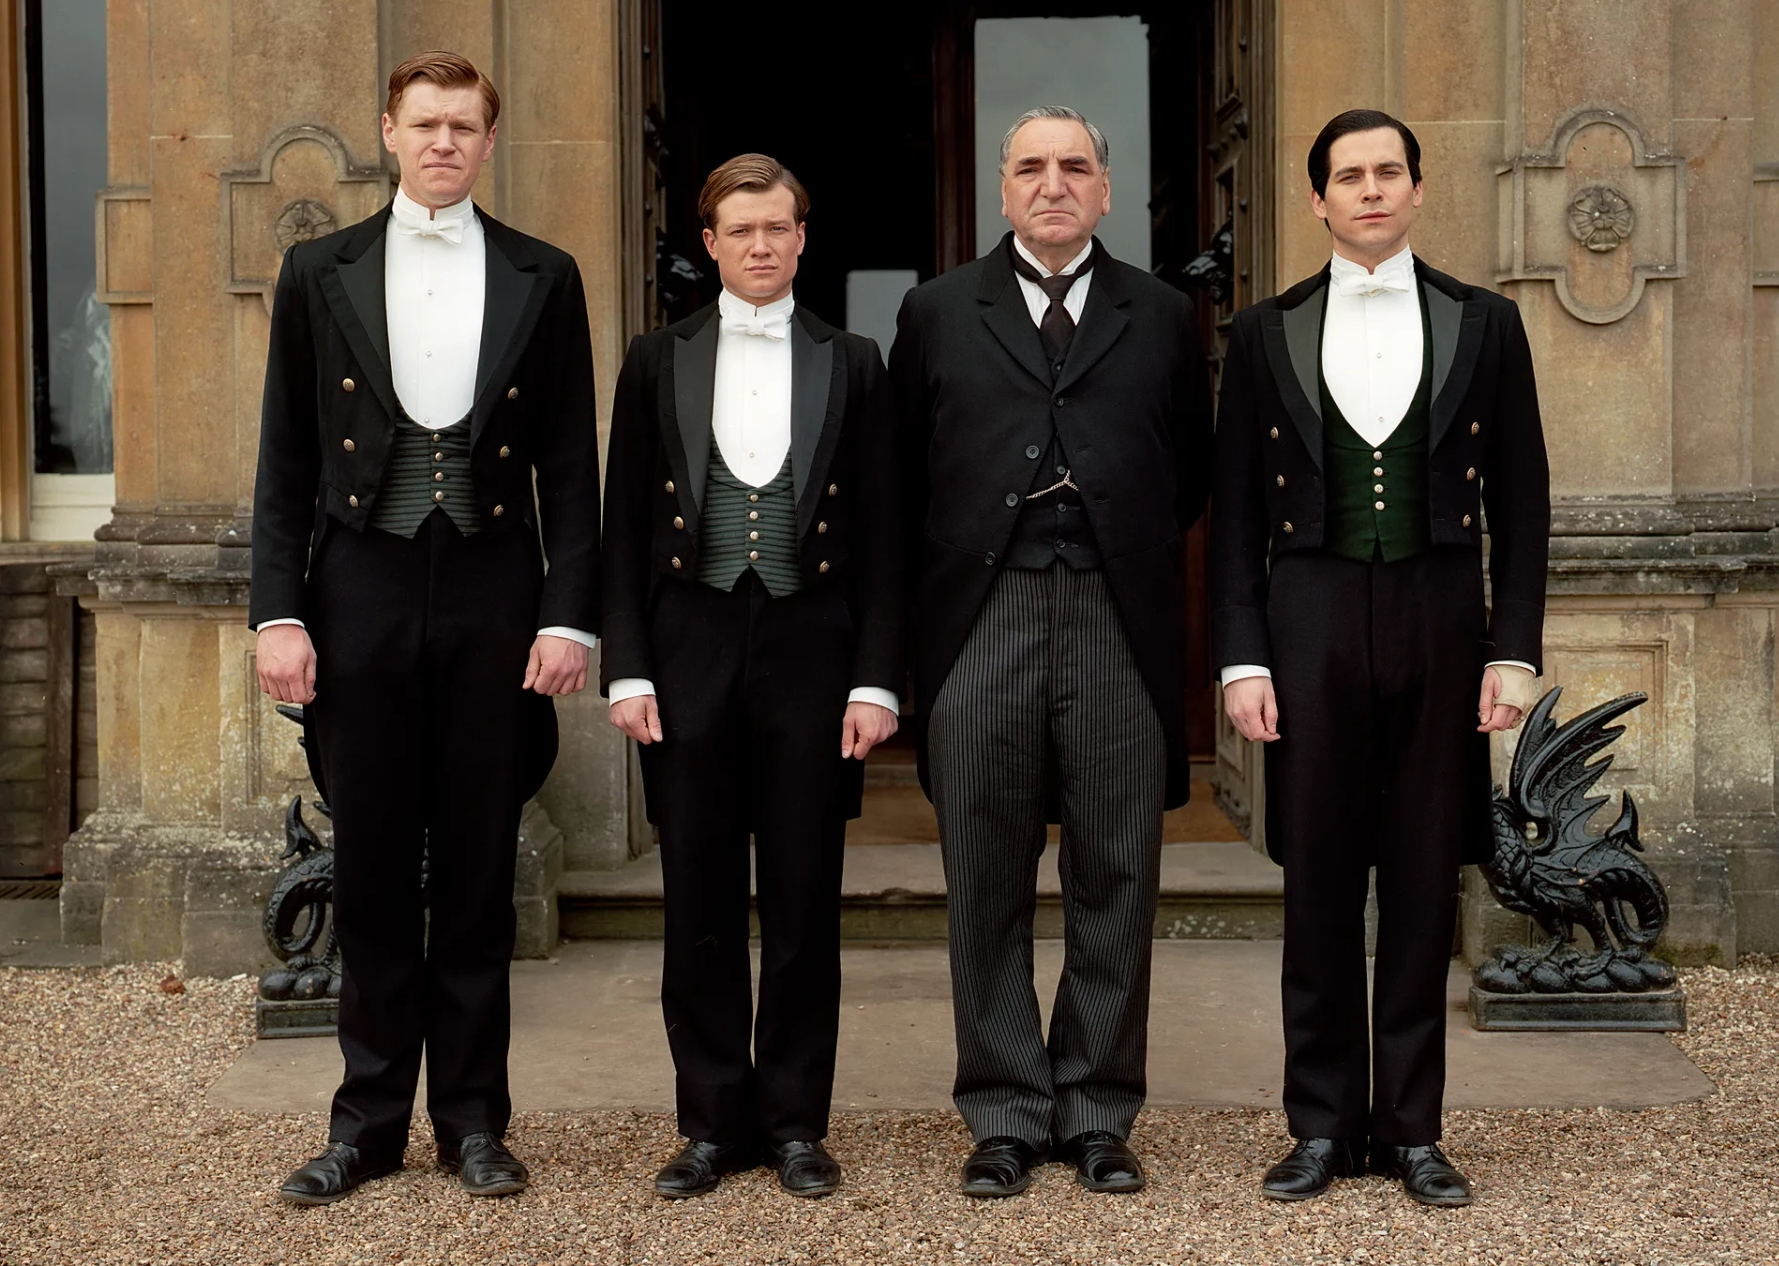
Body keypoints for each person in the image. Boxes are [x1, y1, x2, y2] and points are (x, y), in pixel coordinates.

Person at [253, 51, 602, 1204]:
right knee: (367, 874)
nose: (445, 140)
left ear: (488, 142)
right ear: (388, 133)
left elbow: (569, 465)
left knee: (477, 874)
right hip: (359, 586)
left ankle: (474, 1123)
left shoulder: (546, 275)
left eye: (465, 125)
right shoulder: (319, 270)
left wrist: (568, 616)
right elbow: (285, 464)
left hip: (498, 590)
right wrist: (279, 614)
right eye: (426, 123)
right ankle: (364, 1126)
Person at [1210, 108, 1550, 1207]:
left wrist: (1515, 650)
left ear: (1414, 188)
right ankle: (1320, 1123)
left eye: (1387, 172)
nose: (1368, 189)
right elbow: (1230, 517)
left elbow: (1526, 505)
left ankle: (1410, 1129)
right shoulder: (1261, 333)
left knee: (1417, 881)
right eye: (1347, 175)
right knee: (1315, 883)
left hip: (1441, 616)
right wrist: (1241, 659)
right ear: (1316, 199)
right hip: (1303, 616)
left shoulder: (1486, 322)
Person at [890, 105, 1214, 1198]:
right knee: (984, 871)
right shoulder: (937, 311)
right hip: (982, 621)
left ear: (1106, 191)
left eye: (1075, 166)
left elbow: (1196, 470)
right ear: (1003, 188)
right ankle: (1004, 1109)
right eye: (1031, 167)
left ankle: (1097, 1110)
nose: (1054, 184)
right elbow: (902, 477)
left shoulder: (1164, 313)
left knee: (1117, 868)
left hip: (1119, 620)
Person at [600, 154, 902, 1200]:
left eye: (780, 226)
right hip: (685, 644)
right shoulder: (655, 359)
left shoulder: (855, 360)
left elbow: (883, 534)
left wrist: (877, 681)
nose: (763, 244)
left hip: (815, 649)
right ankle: (709, 1121)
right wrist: (626, 668)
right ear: (711, 243)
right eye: (743, 229)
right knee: (698, 895)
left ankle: (796, 1122)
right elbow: (624, 524)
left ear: (803, 237)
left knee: (806, 895)